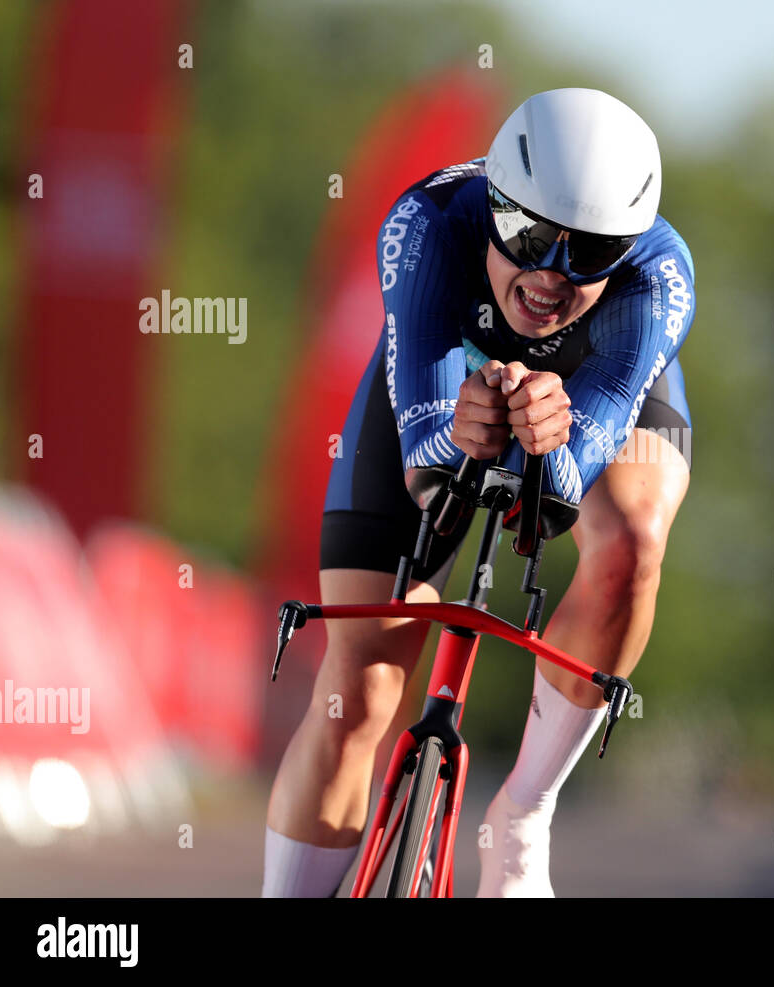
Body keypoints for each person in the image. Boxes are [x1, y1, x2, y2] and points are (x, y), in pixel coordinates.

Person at [262, 88, 696, 897]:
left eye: (592, 253)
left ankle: (524, 812)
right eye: (528, 236)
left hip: (591, 396)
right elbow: (426, 459)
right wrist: (465, 424)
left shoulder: (659, 277)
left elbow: (564, 491)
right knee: (359, 688)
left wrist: (554, 435)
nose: (550, 278)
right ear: (493, 206)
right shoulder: (427, 223)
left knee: (632, 544)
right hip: (445, 378)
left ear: (628, 249)